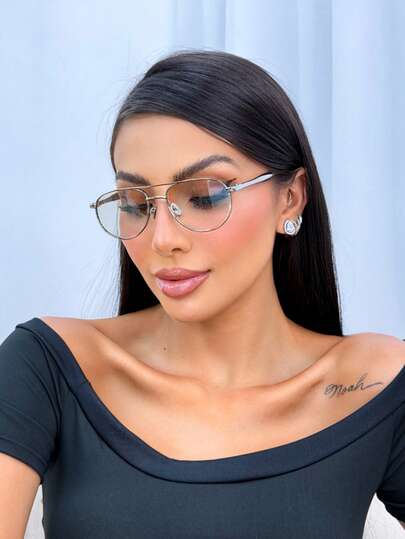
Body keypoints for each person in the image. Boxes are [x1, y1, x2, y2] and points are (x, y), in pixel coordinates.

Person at [1, 49, 404, 539]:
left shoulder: (372, 384)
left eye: (206, 196)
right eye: (134, 203)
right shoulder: (48, 366)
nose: (162, 239)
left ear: (290, 197)